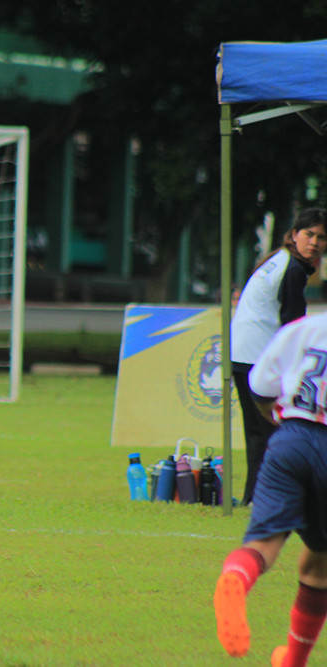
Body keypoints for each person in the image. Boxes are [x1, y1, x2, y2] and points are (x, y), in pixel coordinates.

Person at [214, 310, 327, 666]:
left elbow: (261, 388)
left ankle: (235, 577)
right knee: (321, 567)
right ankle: (294, 659)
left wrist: (279, 420)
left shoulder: (305, 327)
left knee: (266, 546)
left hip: (290, 439)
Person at [231, 208, 327, 505]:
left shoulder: (280, 259)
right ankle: (264, 498)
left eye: (321, 238)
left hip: (243, 354)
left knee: (260, 434)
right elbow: (292, 327)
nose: (314, 242)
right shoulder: (293, 269)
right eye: (309, 234)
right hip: (255, 357)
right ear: (295, 233)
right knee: (271, 433)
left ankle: (255, 497)